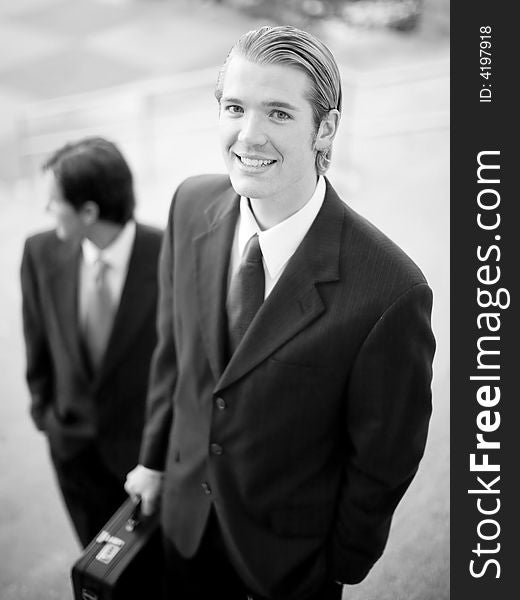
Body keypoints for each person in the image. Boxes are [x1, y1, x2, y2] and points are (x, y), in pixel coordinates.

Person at [125, 25, 436, 600]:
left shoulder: (391, 291)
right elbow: (175, 355)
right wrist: (153, 463)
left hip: (286, 569)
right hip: (184, 528)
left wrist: (337, 562)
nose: (250, 135)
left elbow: (384, 458)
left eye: (279, 113)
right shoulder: (190, 204)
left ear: (326, 128)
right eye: (235, 107)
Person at [21, 137, 163, 548]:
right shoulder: (39, 251)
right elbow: (37, 342)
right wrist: (45, 416)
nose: (47, 211)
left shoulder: (169, 254)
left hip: (144, 463)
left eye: (53, 201)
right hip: (72, 453)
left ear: (88, 211)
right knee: (96, 570)